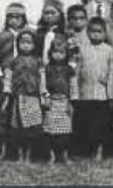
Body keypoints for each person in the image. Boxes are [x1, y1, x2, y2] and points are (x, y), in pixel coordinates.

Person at [0, 3, 28, 160]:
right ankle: (2, 150)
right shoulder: (1, 36)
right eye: (11, 17)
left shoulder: (29, 35)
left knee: (21, 115)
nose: (14, 20)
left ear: (23, 18)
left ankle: (21, 151)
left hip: (24, 80)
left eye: (18, 17)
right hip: (5, 79)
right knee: (3, 114)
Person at [2, 28, 43, 163]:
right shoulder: (13, 62)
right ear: (17, 44)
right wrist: (7, 95)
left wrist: (43, 95)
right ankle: (19, 155)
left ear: (35, 45)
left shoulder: (38, 61)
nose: (26, 45)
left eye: (29, 43)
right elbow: (8, 78)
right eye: (22, 42)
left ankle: (28, 156)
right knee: (17, 129)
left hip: (32, 98)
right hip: (17, 98)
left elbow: (42, 79)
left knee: (31, 128)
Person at [76, 17, 113, 161]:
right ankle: (89, 149)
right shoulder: (83, 49)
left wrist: (110, 92)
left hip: (102, 93)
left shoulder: (109, 50)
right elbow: (78, 70)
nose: (96, 35)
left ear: (105, 33)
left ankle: (100, 149)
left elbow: (112, 71)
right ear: (87, 33)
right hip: (86, 92)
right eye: (92, 32)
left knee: (101, 123)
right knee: (88, 122)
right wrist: (77, 91)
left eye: (99, 32)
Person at [41, 35, 77, 164]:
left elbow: (73, 86)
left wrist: (71, 102)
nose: (58, 55)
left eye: (61, 52)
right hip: (51, 102)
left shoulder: (69, 70)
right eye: (55, 52)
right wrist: (46, 98)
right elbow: (43, 85)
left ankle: (65, 156)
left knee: (65, 132)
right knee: (50, 131)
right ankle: (52, 156)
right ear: (50, 53)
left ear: (66, 54)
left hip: (65, 102)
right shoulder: (47, 69)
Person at [35, 0, 66, 65]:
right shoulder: (38, 32)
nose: (49, 16)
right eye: (46, 13)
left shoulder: (65, 32)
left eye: (53, 13)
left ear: (60, 14)